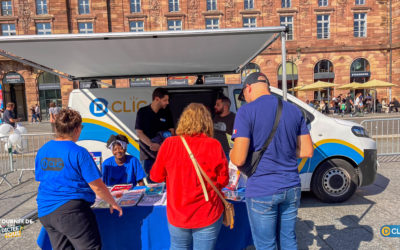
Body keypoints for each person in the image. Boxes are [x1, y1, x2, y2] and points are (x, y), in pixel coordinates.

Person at [230, 72, 313, 250]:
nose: (245, 98)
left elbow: (239, 158)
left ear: (248, 88)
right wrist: (284, 151)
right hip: (291, 186)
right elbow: (307, 150)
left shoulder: (246, 111)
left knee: (266, 245)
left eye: (244, 95)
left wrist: (231, 153)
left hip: (262, 189)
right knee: (289, 239)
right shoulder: (293, 109)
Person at [35, 108, 123, 250]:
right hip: (71, 211)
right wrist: (113, 203)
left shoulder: (43, 150)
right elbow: (97, 186)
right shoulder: (78, 152)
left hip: (46, 211)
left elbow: (41, 178)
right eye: (81, 128)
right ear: (76, 129)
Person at [150, 103, 229, 250]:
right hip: (207, 212)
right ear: (207, 122)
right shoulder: (214, 145)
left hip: (178, 214)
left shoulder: (169, 144)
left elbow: (155, 176)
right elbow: (223, 180)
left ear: (183, 120)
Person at [135, 88, 174, 180]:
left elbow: (172, 132)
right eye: (165, 100)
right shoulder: (142, 112)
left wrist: (160, 146)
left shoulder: (167, 112)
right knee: (152, 183)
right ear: (157, 99)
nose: (167, 102)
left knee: (167, 181)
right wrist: (152, 145)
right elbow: (139, 133)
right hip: (148, 155)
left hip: (164, 155)